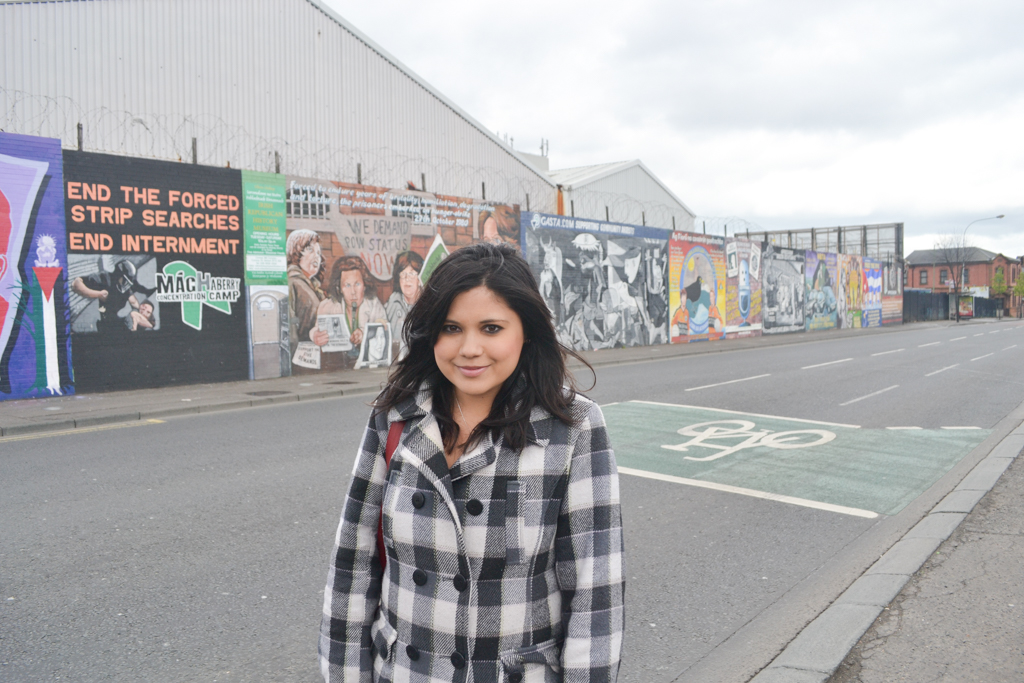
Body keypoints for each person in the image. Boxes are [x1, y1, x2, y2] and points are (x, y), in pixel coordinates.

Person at [319, 242, 624, 683]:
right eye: (451, 328)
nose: (469, 348)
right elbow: (352, 564)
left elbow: (596, 596)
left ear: (527, 331)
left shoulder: (571, 428)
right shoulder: (396, 417)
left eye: (491, 328)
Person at [316, 256, 387, 369]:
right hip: (336, 371)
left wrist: (364, 333)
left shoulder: (374, 305)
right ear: (339, 288)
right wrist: (316, 336)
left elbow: (383, 328)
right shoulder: (328, 307)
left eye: (357, 284)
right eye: (347, 285)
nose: (353, 292)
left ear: (364, 285)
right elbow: (316, 331)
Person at [71, 259, 156, 334]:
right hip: (101, 325)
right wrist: (97, 294)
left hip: (114, 323)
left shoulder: (125, 288)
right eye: (125, 281)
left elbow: (133, 301)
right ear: (119, 275)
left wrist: (137, 312)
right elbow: (76, 284)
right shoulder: (104, 279)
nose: (126, 285)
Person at [287, 230, 326, 366]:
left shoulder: (314, 288)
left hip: (312, 357)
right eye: (310, 249)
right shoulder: (292, 282)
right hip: (300, 359)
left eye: (319, 253)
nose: (316, 256)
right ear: (295, 252)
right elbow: (289, 325)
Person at [384, 251, 424, 359]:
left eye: (411, 273)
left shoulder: (429, 303)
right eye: (403, 274)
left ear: (420, 279)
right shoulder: (393, 302)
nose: (407, 279)